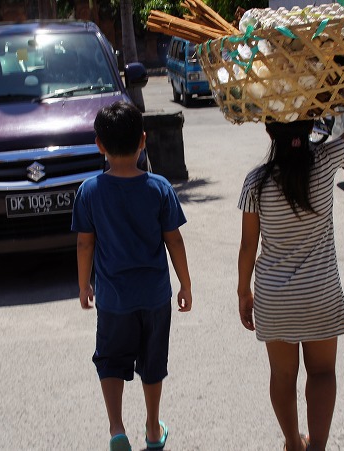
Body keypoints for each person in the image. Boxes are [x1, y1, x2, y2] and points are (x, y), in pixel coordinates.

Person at [237, 94, 344, 451]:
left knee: (283, 378)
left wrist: (243, 292)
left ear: (269, 132)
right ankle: (317, 448)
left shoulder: (255, 183)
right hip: (321, 294)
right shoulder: (326, 160)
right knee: (323, 373)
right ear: (311, 124)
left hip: (274, 299)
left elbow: (248, 247)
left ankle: (293, 444)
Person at [71, 101, 193, 451]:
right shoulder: (159, 188)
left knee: (111, 360)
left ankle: (116, 429)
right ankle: (153, 429)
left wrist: (83, 285)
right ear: (143, 140)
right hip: (155, 297)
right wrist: (185, 283)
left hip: (114, 300)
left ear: (99, 144)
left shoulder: (90, 191)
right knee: (152, 363)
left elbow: (84, 244)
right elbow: (174, 239)